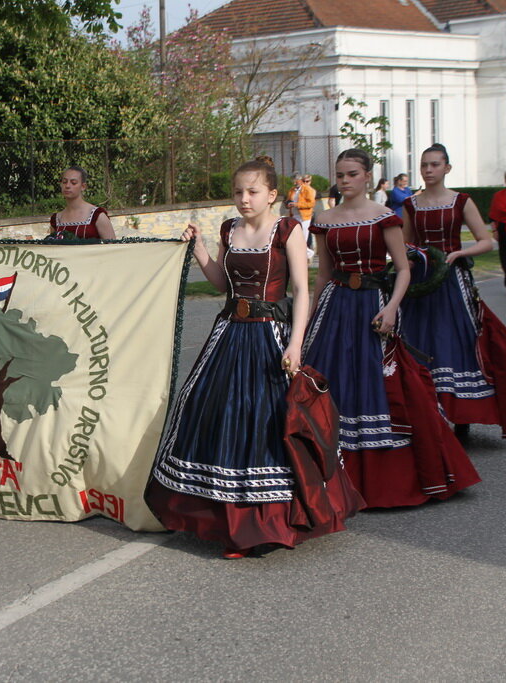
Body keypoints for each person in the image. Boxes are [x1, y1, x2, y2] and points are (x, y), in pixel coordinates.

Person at [145, 156, 364, 557]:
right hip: (229, 333)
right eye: (238, 192)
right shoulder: (229, 229)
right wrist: (198, 248)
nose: (243, 199)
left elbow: (302, 289)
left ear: (272, 195)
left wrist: (296, 344)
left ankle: (267, 521)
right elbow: (219, 284)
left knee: (267, 421)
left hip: (270, 336)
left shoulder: (288, 229)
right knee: (215, 414)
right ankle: (220, 516)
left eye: (252, 191)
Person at [302, 149, 480, 508]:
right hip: (335, 306)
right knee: (326, 378)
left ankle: (379, 479)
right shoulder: (324, 219)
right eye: (340, 174)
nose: (344, 180)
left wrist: (392, 307)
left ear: (367, 176)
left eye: (351, 174)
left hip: (371, 305)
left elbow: (403, 268)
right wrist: (307, 315)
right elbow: (322, 273)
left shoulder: (385, 217)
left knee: (374, 382)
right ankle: (327, 474)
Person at [400, 143, 506, 441]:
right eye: (424, 165)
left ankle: (461, 415)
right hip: (421, 281)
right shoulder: (411, 205)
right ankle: (427, 411)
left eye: (434, 165)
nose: (429, 170)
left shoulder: (461, 201)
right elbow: (403, 244)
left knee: (453, 339)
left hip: (452, 281)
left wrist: (456, 254)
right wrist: (411, 259)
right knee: (418, 339)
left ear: (447, 168)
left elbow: (486, 241)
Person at [49, 166, 115, 239]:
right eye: (64, 182)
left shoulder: (97, 215)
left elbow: (112, 247)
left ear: (83, 186)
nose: (67, 186)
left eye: (73, 183)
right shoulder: (57, 219)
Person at [286, 173, 317, 258]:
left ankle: (307, 255)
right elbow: (288, 200)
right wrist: (288, 204)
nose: (294, 183)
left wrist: (297, 204)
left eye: (295, 181)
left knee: (303, 238)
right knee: (296, 237)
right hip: (294, 215)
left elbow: (311, 203)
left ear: (300, 180)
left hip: (304, 217)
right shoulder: (292, 190)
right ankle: (306, 254)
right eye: (293, 181)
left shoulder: (307, 189)